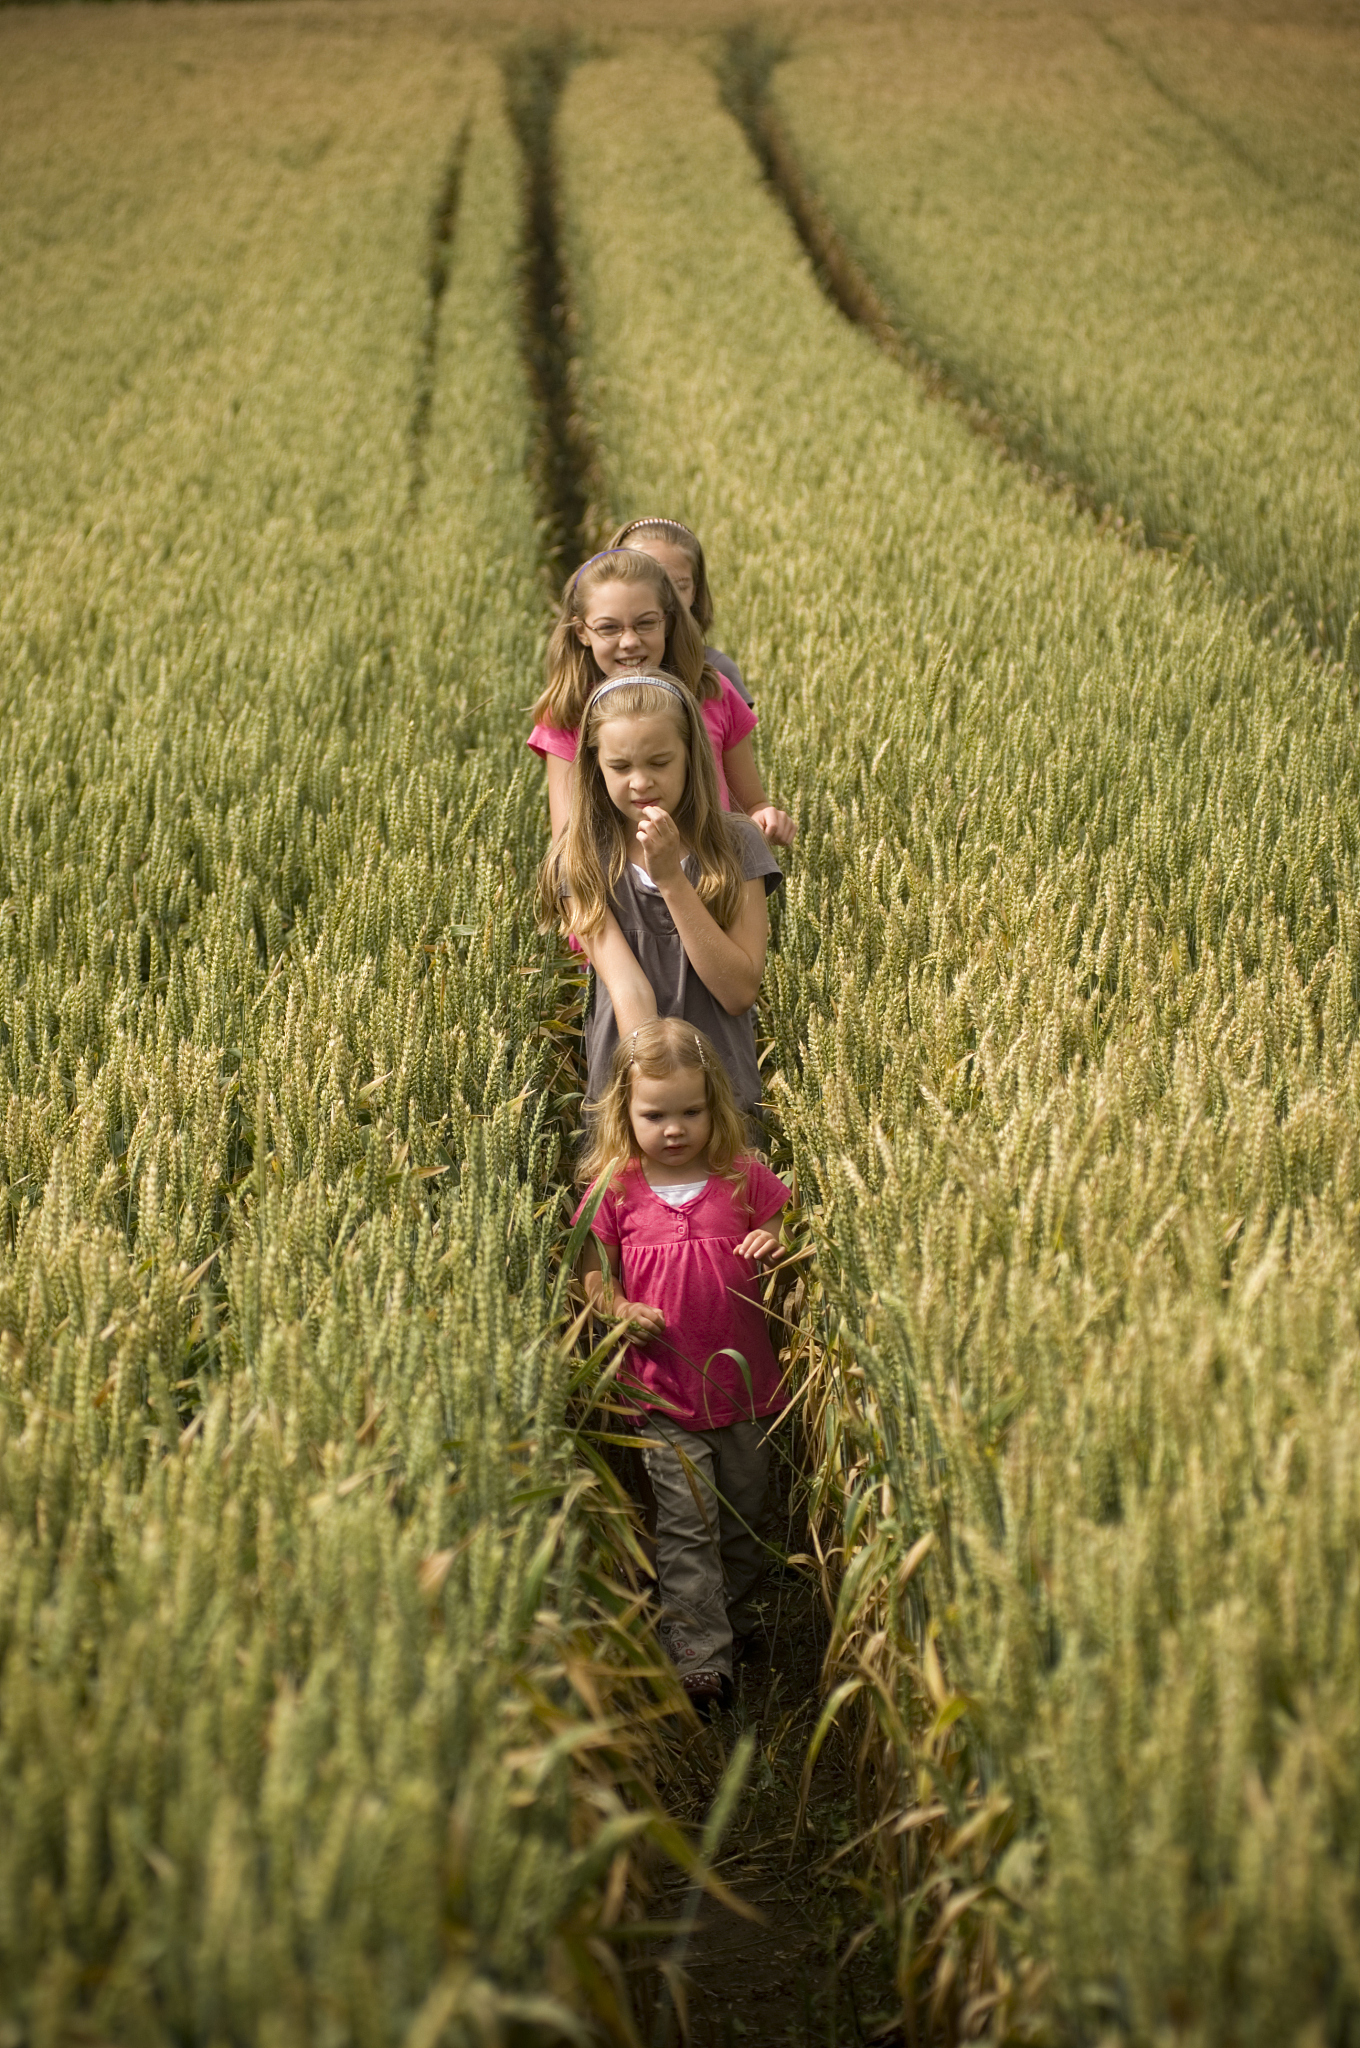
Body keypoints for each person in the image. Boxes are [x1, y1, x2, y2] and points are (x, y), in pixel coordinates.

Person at [575, 1017, 791, 1709]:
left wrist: (771, 1239)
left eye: (691, 1112)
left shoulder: (741, 1176)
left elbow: (783, 1221)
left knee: (745, 1516)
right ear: (624, 1113)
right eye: (654, 1115)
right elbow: (593, 1278)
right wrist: (618, 1310)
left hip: (747, 1388)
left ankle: (734, 1612)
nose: (674, 1128)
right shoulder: (615, 1190)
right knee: (685, 1523)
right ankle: (701, 1655)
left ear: (715, 1107)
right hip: (663, 1394)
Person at [537, 672, 782, 1122]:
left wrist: (672, 880)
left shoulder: (738, 845)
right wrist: (657, 1105)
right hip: (633, 1101)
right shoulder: (583, 857)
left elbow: (738, 991)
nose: (640, 782)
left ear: (692, 755)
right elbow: (629, 989)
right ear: (595, 766)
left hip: (723, 1096)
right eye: (620, 767)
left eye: (660, 761)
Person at [528, 547, 795, 847]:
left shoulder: (711, 692)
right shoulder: (568, 710)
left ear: (667, 621)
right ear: (581, 632)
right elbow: (568, 842)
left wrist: (766, 819)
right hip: (619, 888)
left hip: (716, 881)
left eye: (645, 623)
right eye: (609, 628)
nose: (629, 641)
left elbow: (752, 805)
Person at [606, 514, 757, 713]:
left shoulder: (716, 672)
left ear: (694, 591)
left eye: (678, 588)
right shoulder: (591, 670)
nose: (665, 603)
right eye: (644, 586)